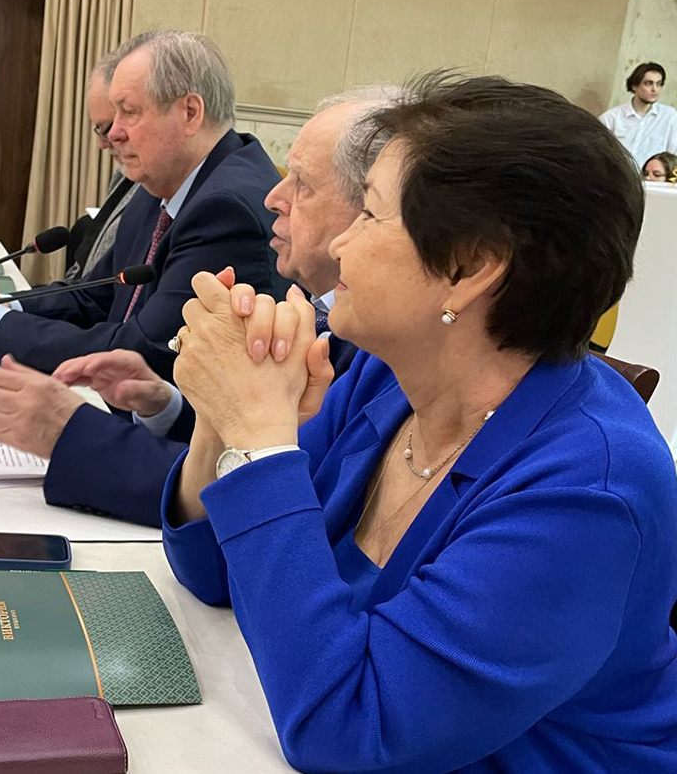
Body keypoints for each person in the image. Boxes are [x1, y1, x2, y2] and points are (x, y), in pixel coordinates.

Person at [164, 73, 677, 773]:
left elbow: (351, 730)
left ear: (470, 266)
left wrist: (260, 441)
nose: (340, 244)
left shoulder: (588, 491)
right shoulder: (390, 375)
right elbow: (214, 569)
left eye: (370, 215)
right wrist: (223, 417)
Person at [0, 90, 394, 526]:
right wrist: (167, 408)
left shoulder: (382, 347)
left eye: (302, 183)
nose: (273, 198)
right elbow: (247, 446)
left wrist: (70, 432)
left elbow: (281, 498)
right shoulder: (311, 302)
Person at [0, 29, 287, 380]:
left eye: (129, 112)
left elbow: (140, 353)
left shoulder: (227, 210)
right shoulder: (159, 183)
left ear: (190, 112)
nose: (113, 134)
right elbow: (95, 295)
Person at [62, 54, 141, 282]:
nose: (104, 143)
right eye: (100, 130)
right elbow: (83, 279)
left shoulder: (158, 188)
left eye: (106, 128)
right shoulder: (124, 175)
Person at [600, 62, 677, 169]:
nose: (654, 89)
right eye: (649, 83)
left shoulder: (669, 116)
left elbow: (674, 156)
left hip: (653, 178)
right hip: (619, 176)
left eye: (659, 84)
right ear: (634, 86)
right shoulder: (611, 118)